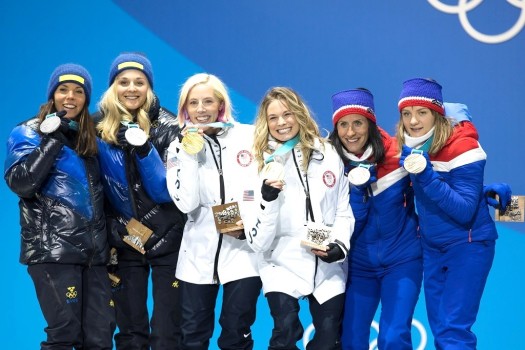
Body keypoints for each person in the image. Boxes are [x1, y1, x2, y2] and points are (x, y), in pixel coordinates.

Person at [4, 63, 115, 349]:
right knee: (64, 336)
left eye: (79, 92)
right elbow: (21, 183)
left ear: (86, 99)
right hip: (54, 253)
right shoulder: (27, 133)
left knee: (101, 336)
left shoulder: (86, 138)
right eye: (63, 89)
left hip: (94, 257)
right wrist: (51, 141)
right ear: (52, 95)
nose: (71, 97)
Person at [246, 87, 353, 350]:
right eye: (273, 118)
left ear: (299, 114)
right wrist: (267, 200)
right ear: (265, 122)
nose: (282, 122)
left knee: (329, 340)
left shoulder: (327, 154)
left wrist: (339, 246)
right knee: (284, 334)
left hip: (326, 265)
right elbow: (257, 241)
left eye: (287, 114)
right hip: (281, 263)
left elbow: (342, 210)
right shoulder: (258, 163)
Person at [396, 77, 498, 349]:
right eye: (407, 113)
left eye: (422, 113)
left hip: (468, 244)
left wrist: (426, 174)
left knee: (454, 332)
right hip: (432, 247)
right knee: (441, 330)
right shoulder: (412, 147)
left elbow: (464, 210)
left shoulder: (465, 147)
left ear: (437, 114)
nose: (414, 121)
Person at [95, 52, 186, 349]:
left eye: (139, 82)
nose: (131, 88)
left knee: (167, 333)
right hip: (124, 241)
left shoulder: (171, 126)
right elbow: (91, 187)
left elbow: (169, 190)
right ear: (112, 87)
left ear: (150, 88)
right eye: (123, 82)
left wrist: (142, 145)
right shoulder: (95, 128)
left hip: (169, 241)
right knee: (131, 334)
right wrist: (114, 230)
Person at [165, 73, 261, 350]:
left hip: (244, 254)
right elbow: (187, 204)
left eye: (208, 101)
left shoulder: (250, 136)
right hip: (197, 255)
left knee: (236, 332)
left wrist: (251, 227)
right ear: (185, 109)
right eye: (193, 103)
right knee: (192, 336)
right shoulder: (177, 148)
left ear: (221, 104)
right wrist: (189, 152)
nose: (201, 109)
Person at [328, 88, 422, 349]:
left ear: (370, 123)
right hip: (358, 265)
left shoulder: (399, 154)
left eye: (358, 122)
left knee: (393, 338)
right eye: (343, 125)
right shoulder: (330, 162)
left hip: (403, 261)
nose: (350, 132)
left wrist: (482, 194)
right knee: (350, 340)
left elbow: (439, 185)